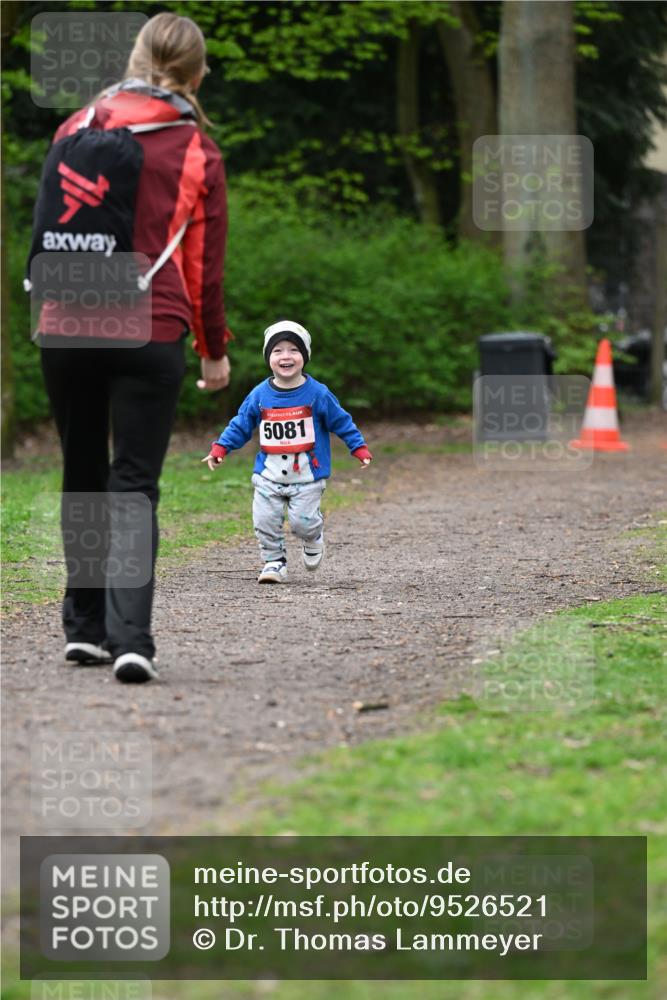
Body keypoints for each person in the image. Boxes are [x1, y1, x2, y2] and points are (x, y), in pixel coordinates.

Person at [34, 13, 231, 683]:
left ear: (135, 56)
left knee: (82, 473)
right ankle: (130, 640)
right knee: (133, 485)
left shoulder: (75, 127)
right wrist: (213, 348)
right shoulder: (195, 149)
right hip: (150, 325)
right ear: (198, 73)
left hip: (65, 321)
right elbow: (202, 266)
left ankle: (83, 629)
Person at [202, 321, 372, 583]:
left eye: (293, 349)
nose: (285, 356)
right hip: (268, 475)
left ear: (304, 356)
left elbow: (342, 421)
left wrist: (358, 447)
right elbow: (241, 424)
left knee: (302, 523)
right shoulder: (259, 394)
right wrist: (221, 447)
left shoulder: (318, 394)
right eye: (277, 350)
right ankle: (274, 562)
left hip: (307, 476)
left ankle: (313, 536)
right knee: (265, 521)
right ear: (268, 357)